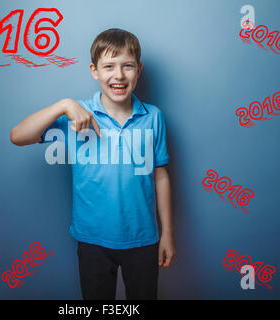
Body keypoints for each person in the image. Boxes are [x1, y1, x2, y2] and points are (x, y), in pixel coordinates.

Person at [10, 28, 176, 300]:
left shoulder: (153, 117)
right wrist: (63, 105)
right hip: (92, 241)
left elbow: (160, 176)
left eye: (127, 66)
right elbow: (18, 136)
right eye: (109, 66)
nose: (119, 75)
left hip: (143, 238)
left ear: (139, 70)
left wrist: (167, 233)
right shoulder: (77, 116)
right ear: (94, 70)